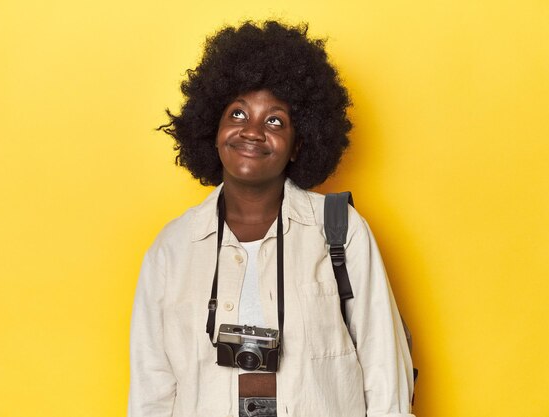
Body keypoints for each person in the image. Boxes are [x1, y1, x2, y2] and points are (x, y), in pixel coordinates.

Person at [128, 21, 415, 417]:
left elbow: (385, 370)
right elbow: (151, 391)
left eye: (275, 120)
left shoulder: (340, 231)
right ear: (213, 129)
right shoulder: (172, 248)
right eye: (238, 114)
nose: (253, 132)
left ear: (299, 144)